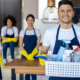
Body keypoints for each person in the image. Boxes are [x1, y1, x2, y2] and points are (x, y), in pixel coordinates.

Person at [40, 0, 80, 80]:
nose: (65, 14)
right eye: (62, 11)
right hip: (55, 75)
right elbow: (43, 51)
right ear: (58, 13)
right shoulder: (50, 32)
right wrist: (42, 56)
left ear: (73, 13)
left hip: (76, 75)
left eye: (68, 11)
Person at [19, 14, 41, 80]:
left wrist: (32, 54)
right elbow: (20, 44)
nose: (30, 21)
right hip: (25, 54)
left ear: (34, 21)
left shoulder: (37, 31)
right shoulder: (22, 31)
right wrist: (27, 55)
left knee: (34, 73)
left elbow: (38, 44)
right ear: (26, 21)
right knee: (27, 73)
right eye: (28, 20)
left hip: (35, 54)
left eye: (32, 20)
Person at [1, 15, 18, 80]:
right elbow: (2, 37)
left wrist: (7, 39)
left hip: (13, 43)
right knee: (4, 43)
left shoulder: (15, 28)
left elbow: (16, 39)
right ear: (6, 22)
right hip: (7, 42)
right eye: (8, 21)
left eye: (10, 21)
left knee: (10, 42)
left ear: (12, 22)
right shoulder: (3, 28)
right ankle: (4, 58)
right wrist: (10, 39)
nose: (9, 23)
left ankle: (12, 58)